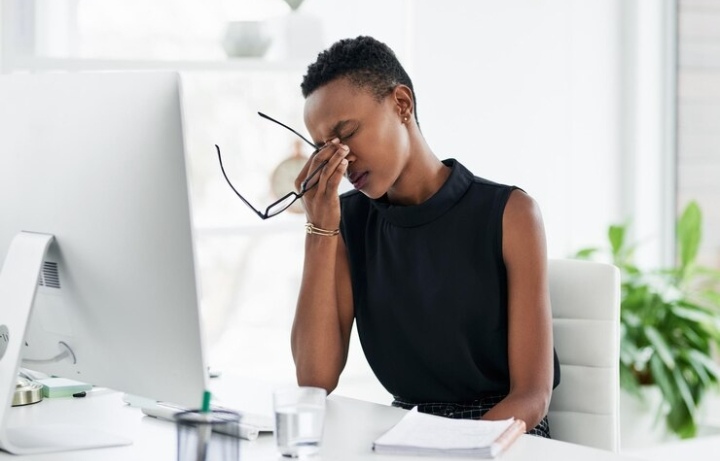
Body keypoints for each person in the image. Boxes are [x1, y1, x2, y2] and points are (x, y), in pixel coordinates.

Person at [290, 35, 559, 438]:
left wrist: (452, 448)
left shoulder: (511, 213)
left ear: (402, 104)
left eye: (347, 133)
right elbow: (315, 380)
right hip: (406, 432)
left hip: (501, 435)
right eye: (324, 148)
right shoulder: (347, 223)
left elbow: (531, 397)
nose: (341, 160)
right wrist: (320, 228)